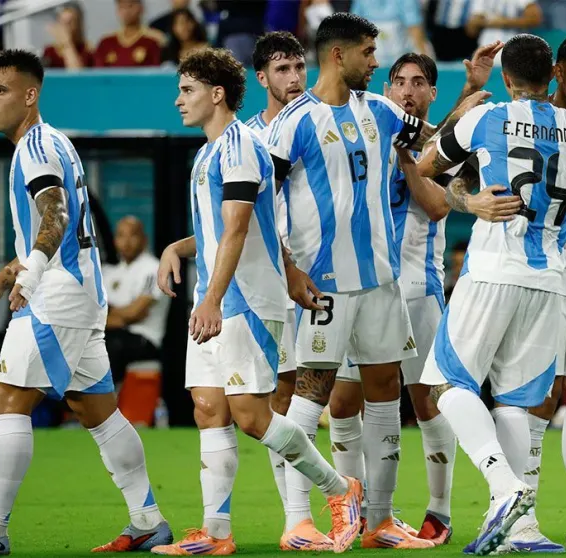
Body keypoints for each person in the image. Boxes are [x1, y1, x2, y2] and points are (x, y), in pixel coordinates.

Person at [415, 33, 566, 556]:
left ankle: (507, 489)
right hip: (551, 280)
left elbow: (426, 163)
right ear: (554, 76)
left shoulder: (487, 117)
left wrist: (469, 191)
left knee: (446, 385)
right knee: (518, 403)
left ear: (506, 78)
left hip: (493, 269)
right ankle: (520, 529)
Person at [264, 12, 487, 550]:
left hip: (383, 282)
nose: (375, 61)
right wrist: (289, 268)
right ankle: (298, 520)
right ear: (338, 54)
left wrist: (465, 102)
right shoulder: (294, 121)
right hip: (325, 286)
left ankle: (379, 521)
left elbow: (434, 143)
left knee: (386, 393)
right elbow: (261, 201)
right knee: (311, 396)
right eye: (368, 52)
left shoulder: (381, 111)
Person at [151, 48, 361, 556]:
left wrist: (214, 299)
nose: (178, 100)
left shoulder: (241, 147)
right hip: (214, 299)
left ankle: (341, 489)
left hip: (245, 301)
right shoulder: (207, 153)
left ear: (216, 94)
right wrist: (178, 247)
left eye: (187, 90)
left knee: (251, 415)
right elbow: (218, 230)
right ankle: (215, 533)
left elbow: (240, 228)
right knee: (208, 409)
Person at [0, 49, 172, 555]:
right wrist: (1, 281)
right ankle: (148, 520)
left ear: (30, 95)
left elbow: (55, 215)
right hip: (81, 294)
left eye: (0, 90)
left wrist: (32, 274)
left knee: (7, 401)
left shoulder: (34, 148)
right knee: (97, 410)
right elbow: (49, 227)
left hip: (56, 297)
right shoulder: (54, 141)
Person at [325, 51, 485, 546]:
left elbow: (437, 203)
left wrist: (465, 95)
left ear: (432, 92)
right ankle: (359, 508)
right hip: (366, 287)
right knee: (342, 403)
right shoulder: (369, 137)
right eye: (399, 82)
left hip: (419, 289)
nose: (407, 90)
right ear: (387, 90)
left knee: (428, 401)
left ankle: (439, 510)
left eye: (418, 83)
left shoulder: (441, 149)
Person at [243, 30, 329, 552]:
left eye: (299, 67)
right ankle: (297, 518)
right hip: (269, 283)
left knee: (336, 397)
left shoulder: (321, 121)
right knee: (280, 396)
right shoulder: (246, 138)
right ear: (261, 78)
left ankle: (367, 512)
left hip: (323, 277)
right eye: (282, 69)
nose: (294, 78)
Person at [104, 216, 169, 388]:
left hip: (144, 338)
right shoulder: (108, 272)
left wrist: (107, 312)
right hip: (113, 332)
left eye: (132, 235)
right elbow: (95, 311)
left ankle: (104, 397)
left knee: (109, 345)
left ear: (144, 239)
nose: (126, 242)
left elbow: (135, 312)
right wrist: (118, 316)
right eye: (121, 235)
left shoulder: (154, 268)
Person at [94, 0, 165, 67]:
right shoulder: (106, 42)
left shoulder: (154, 40)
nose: (126, 11)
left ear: (141, 8)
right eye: (122, 7)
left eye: (130, 6)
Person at [42, 2, 96, 70]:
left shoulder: (87, 51)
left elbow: (77, 74)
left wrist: (67, 44)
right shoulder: (50, 51)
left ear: (79, 25)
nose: (65, 27)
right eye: (63, 22)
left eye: (70, 23)